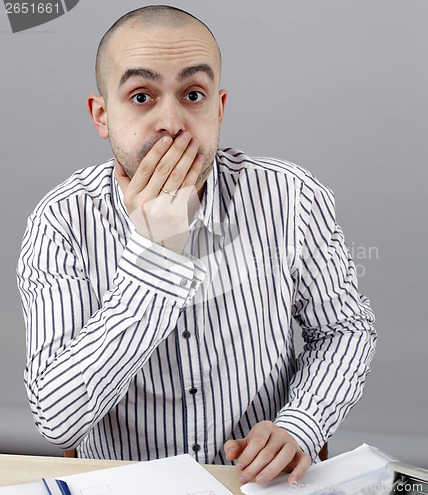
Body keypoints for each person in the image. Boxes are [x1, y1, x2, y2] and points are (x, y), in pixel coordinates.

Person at [17, 5, 377, 486]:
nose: (172, 122)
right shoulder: (61, 221)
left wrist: (302, 424)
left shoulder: (292, 197)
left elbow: (344, 329)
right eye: (142, 96)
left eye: (192, 94)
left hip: (254, 483)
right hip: (125, 482)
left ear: (219, 107)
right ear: (103, 115)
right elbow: (57, 417)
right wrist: (156, 254)